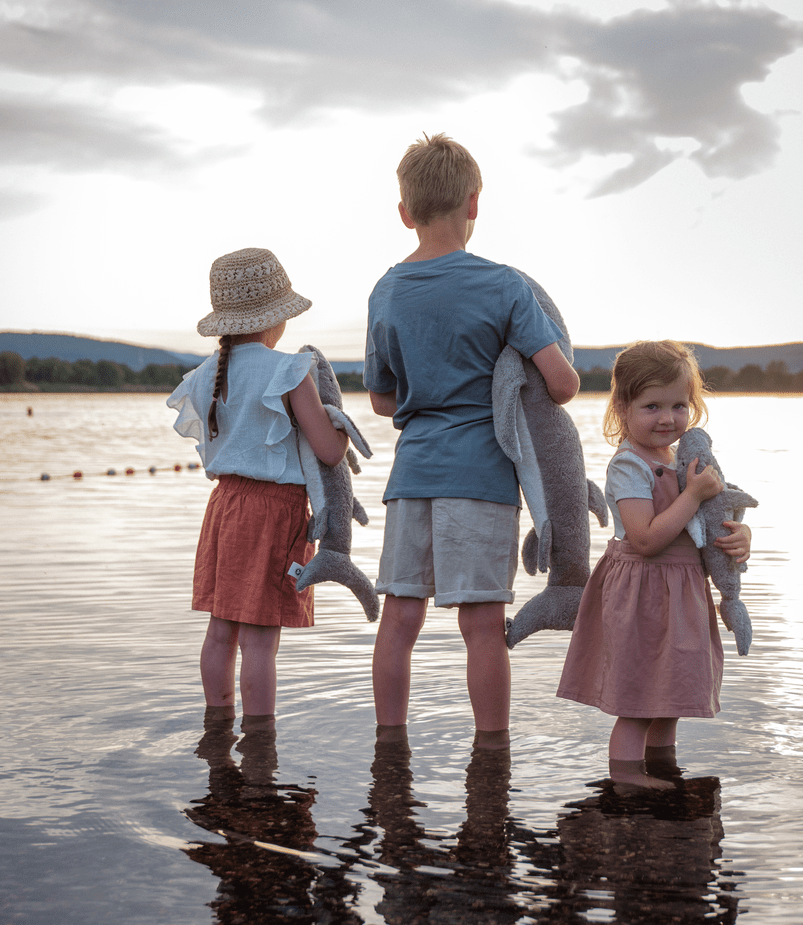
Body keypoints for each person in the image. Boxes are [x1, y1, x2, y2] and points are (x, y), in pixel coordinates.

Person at [364, 132, 580, 749]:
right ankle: (492, 756)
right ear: (475, 203)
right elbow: (562, 384)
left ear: (405, 213)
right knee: (482, 626)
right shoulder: (505, 286)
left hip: (412, 476)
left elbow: (383, 399)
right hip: (483, 478)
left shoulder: (386, 290)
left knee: (399, 618)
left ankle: (389, 748)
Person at [556, 340, 752, 788]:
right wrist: (692, 495)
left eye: (679, 405)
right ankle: (626, 778)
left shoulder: (688, 464)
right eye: (652, 406)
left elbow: (714, 520)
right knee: (639, 698)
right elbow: (644, 538)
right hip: (642, 592)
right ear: (623, 407)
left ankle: (662, 768)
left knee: (671, 697)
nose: (668, 418)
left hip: (682, 592)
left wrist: (741, 537)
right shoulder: (629, 465)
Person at [168, 247, 347, 720]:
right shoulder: (289, 370)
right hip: (275, 513)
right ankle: (262, 740)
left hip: (224, 507)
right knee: (262, 640)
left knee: (220, 629)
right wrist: (343, 424)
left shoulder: (203, 376)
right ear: (276, 318)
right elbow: (329, 451)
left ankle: (218, 723)